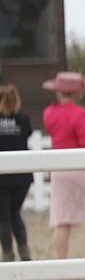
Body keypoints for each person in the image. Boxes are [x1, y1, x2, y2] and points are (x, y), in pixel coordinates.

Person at [42, 72, 85, 257]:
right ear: (77, 92)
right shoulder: (80, 114)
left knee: (61, 220)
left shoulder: (49, 113)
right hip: (81, 170)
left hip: (59, 170)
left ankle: (62, 261)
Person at [0, 84, 34, 262]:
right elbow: (27, 135)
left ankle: (7, 253)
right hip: (22, 175)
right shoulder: (23, 118)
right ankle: (24, 249)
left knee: (3, 217)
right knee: (15, 213)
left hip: (2, 177)